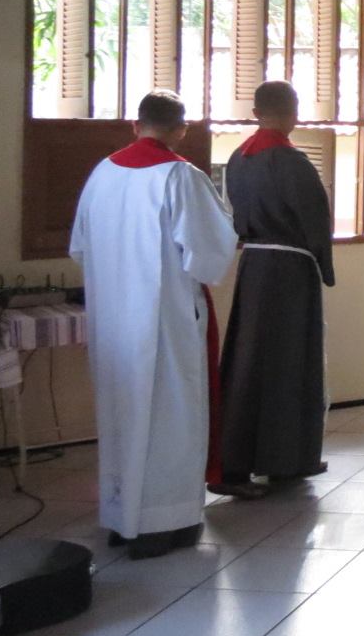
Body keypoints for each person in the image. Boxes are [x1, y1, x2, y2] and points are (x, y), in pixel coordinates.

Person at [69, 90, 237, 558]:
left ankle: (121, 518)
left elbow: (80, 247)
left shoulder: (101, 173)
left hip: (113, 321)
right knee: (170, 416)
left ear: (135, 124)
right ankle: (165, 522)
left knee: (122, 415)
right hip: (166, 321)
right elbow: (209, 256)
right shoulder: (181, 176)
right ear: (181, 129)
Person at [215, 81, 335, 498]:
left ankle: (260, 459)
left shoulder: (238, 158)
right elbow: (316, 219)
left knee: (249, 363)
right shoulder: (292, 161)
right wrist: (322, 264)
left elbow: (233, 214)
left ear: (255, 112)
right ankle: (283, 459)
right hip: (290, 271)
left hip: (254, 266)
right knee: (290, 364)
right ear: (294, 111)